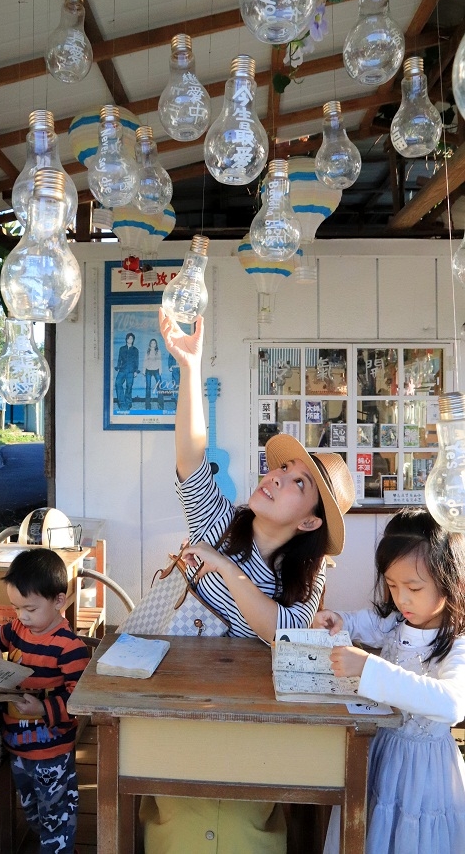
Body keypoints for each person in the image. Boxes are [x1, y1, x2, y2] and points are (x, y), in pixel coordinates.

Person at [139, 310, 356, 854]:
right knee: (174, 810)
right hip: (177, 701)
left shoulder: (306, 576)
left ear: (310, 521)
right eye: (280, 469)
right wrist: (189, 368)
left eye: (297, 482)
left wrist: (226, 568)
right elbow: (191, 456)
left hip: (253, 716)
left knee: (242, 821)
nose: (277, 476)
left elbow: (278, 630)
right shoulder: (219, 520)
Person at [313, 508, 465, 854]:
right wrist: (336, 621)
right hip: (379, 757)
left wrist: (370, 669)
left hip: (425, 776)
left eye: (414, 587)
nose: (402, 598)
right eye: (393, 585)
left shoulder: (457, 642)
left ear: (452, 581)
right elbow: (357, 622)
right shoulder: (394, 621)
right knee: (371, 836)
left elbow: (453, 703)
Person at [0, 548, 90, 854]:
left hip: (52, 749)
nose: (22, 615)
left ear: (59, 600)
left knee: (57, 813)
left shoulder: (69, 647)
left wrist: (43, 709)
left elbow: (78, 698)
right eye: (15, 607)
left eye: (30, 609)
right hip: (18, 744)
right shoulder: (19, 628)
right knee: (32, 809)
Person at [115, 331, 139, 412]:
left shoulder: (135, 350)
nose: (130, 339)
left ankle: (128, 403)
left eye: (131, 338)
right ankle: (121, 402)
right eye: (129, 338)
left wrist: (135, 371)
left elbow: (136, 361)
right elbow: (119, 359)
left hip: (131, 371)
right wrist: (118, 367)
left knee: (129, 386)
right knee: (118, 383)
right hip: (122, 369)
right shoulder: (122, 349)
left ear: (133, 340)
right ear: (126, 339)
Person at [143, 337, 162, 409]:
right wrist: (143, 370)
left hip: (156, 370)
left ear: (156, 344)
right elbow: (145, 361)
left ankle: (160, 405)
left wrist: (160, 370)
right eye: (152, 343)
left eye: (154, 343)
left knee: (159, 387)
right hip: (148, 370)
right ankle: (147, 405)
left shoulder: (158, 351)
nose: (153, 344)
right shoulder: (147, 351)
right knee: (148, 387)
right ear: (150, 344)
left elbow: (160, 361)